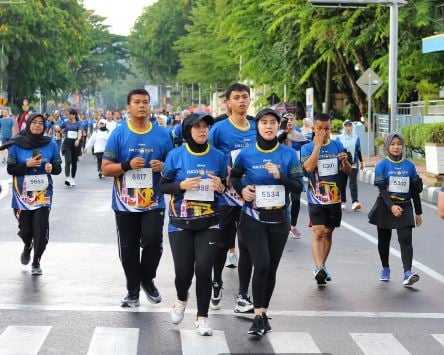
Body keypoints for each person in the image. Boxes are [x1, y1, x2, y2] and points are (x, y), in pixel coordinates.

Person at [230, 108, 304, 336]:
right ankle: (258, 316)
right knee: (260, 264)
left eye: (273, 122)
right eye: (264, 122)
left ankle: (262, 313)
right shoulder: (247, 154)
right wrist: (243, 190)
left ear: (278, 126)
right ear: (258, 127)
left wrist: (280, 176)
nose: (269, 126)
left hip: (279, 219)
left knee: (270, 268)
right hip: (253, 218)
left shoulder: (288, 155)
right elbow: (234, 176)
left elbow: (299, 187)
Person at [102, 88, 173, 307]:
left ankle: (147, 278)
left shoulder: (162, 134)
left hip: (153, 201)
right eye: (137, 102)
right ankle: (132, 290)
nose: (142, 106)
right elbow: (105, 168)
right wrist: (126, 165)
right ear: (128, 107)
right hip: (125, 203)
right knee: (128, 247)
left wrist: (163, 166)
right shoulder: (119, 134)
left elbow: (173, 165)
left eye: (145, 102)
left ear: (150, 106)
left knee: (153, 242)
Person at [160, 112, 227, 336]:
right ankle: (181, 299)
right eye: (197, 127)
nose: (202, 130)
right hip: (180, 222)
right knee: (183, 272)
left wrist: (221, 187)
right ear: (188, 131)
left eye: (205, 127)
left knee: (204, 268)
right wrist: (181, 185)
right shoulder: (176, 155)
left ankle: (202, 317)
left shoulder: (218, 156)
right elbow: (163, 185)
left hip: (209, 221)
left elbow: (225, 185)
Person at [208, 82, 256, 313]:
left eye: (245, 97)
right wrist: (221, 173)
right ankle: (216, 281)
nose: (241, 101)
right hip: (226, 197)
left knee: (247, 244)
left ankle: (243, 295)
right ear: (227, 102)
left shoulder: (257, 126)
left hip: (251, 195)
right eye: (236, 97)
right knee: (222, 242)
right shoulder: (218, 129)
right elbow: (207, 156)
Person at [1, 113, 62, 275]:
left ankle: (36, 261)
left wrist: (52, 168)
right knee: (26, 230)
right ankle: (28, 245)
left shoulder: (50, 143)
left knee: (41, 230)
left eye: (41, 123)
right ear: (28, 124)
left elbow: (57, 167)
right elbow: (10, 169)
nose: (37, 125)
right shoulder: (16, 144)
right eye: (34, 122)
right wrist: (26, 164)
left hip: (43, 195)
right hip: (22, 196)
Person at [301, 113, 351, 286]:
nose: (323, 132)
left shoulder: (337, 145)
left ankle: (323, 265)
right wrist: (317, 146)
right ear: (314, 128)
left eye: (327, 128)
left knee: (328, 232)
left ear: (331, 128)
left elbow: (347, 171)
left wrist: (345, 162)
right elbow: (308, 167)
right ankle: (318, 267)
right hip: (316, 198)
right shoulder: (307, 148)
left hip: (334, 197)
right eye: (320, 128)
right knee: (318, 231)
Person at [368, 133, 423, 286]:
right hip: (386, 206)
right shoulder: (382, 165)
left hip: (405, 206)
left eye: (399, 144)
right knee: (383, 241)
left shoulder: (410, 166)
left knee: (406, 240)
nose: (396, 147)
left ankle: (407, 272)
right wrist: (391, 207)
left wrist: (418, 212)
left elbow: (414, 191)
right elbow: (382, 190)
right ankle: (385, 267)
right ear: (387, 146)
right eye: (392, 144)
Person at [278, 112, 309, 239]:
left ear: (295, 120)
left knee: (296, 199)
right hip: (279, 170)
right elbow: (275, 143)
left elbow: (306, 151)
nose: (289, 121)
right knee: (282, 199)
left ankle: (293, 225)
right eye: (286, 119)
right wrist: (284, 133)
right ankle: (281, 223)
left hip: (295, 171)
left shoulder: (299, 136)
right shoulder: (277, 133)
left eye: (291, 119)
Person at [336, 120, 364, 211]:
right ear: (343, 127)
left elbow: (358, 150)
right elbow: (336, 151)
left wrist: (362, 161)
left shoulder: (356, 138)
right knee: (342, 183)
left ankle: (355, 202)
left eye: (350, 126)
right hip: (342, 164)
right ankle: (342, 202)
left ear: (352, 127)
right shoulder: (339, 138)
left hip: (353, 163)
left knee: (353, 183)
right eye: (346, 126)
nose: (348, 128)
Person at [58, 109, 82, 187]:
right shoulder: (65, 123)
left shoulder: (79, 123)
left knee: (74, 162)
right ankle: (67, 178)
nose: (67, 116)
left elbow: (80, 132)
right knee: (68, 161)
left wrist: (78, 139)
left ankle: (72, 179)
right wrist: (53, 125)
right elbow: (58, 128)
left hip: (75, 145)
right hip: (67, 145)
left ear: (74, 115)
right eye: (67, 114)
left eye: (69, 114)